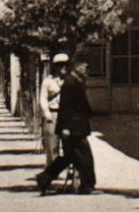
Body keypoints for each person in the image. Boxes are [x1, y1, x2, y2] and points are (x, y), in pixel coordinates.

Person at [33, 58, 97, 194]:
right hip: (73, 128)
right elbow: (66, 107)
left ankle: (44, 178)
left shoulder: (75, 81)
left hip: (76, 126)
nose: (87, 70)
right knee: (84, 155)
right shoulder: (70, 83)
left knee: (71, 156)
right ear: (77, 67)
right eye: (85, 67)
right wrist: (65, 127)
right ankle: (87, 184)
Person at [39, 54, 68, 163]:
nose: (64, 67)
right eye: (61, 65)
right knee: (52, 145)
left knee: (69, 144)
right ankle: (52, 170)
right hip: (53, 114)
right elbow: (43, 98)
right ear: (55, 67)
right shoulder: (48, 81)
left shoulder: (69, 80)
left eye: (65, 65)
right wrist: (47, 114)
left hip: (66, 115)